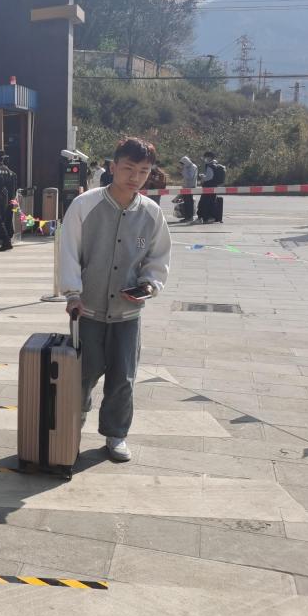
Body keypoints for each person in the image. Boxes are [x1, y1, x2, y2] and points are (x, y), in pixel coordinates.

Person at [58, 137, 172, 463]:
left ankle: (116, 433)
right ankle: (74, 422)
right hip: (88, 309)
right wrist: (72, 293)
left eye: (143, 171)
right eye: (128, 168)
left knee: (124, 377)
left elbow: (158, 258)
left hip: (127, 313)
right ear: (113, 167)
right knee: (84, 373)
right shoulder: (85, 205)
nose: (135, 177)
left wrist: (149, 286)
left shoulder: (151, 213)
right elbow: (69, 251)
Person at [196, 151, 225, 224]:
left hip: (208, 187)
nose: (204, 159)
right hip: (214, 187)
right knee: (211, 202)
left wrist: (202, 177)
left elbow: (209, 177)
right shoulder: (215, 165)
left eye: (205, 157)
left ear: (209, 157)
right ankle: (210, 217)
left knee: (203, 203)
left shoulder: (210, 166)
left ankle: (203, 218)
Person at [178, 156, 198, 221]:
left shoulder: (192, 167)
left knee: (189, 202)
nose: (182, 165)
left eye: (182, 164)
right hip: (186, 186)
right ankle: (187, 217)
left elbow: (190, 177)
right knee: (186, 202)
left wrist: (183, 171)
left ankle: (189, 217)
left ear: (186, 162)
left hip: (190, 186)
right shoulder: (187, 167)